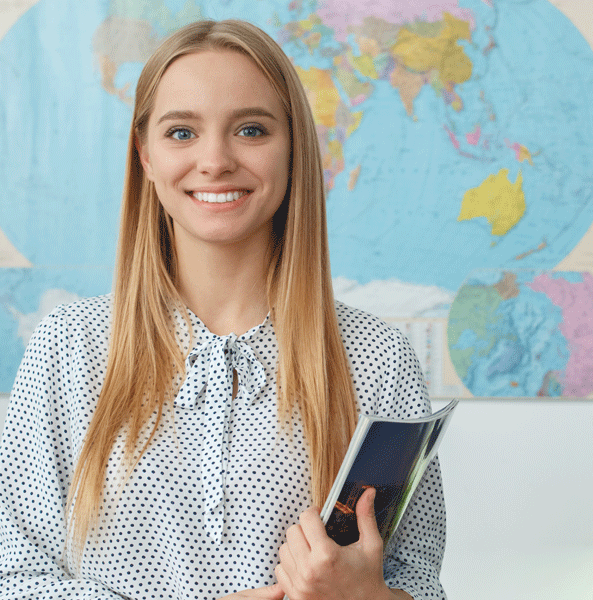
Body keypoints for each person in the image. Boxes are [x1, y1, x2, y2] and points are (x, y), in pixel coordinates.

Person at [0, 19, 446, 600]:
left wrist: (367, 597)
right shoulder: (67, 344)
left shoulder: (379, 357)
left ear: (294, 149)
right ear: (145, 156)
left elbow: (419, 583)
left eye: (251, 130)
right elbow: (12, 575)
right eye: (181, 132)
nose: (214, 160)